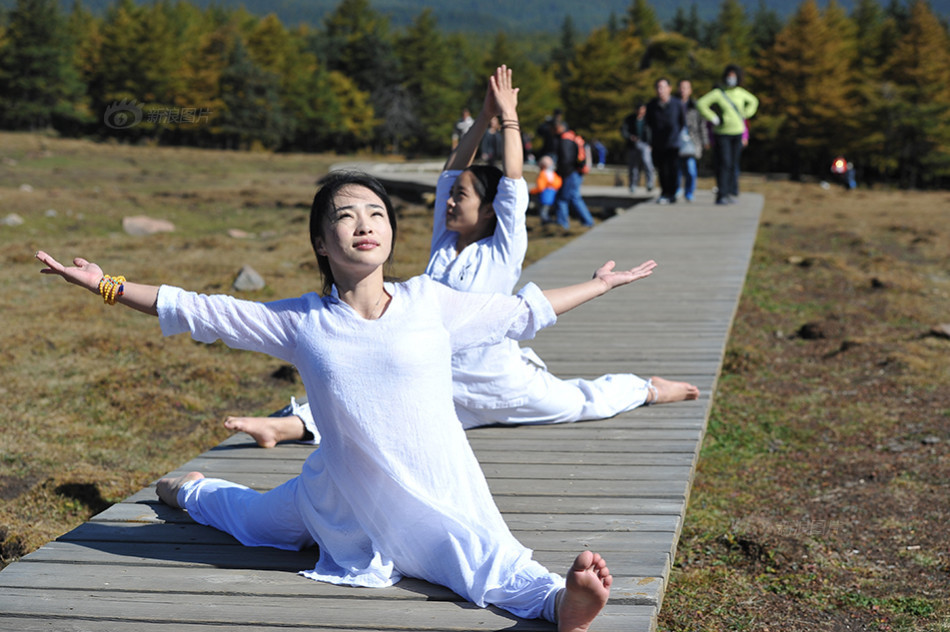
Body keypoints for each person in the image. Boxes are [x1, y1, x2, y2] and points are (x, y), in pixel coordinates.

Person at [36, 66, 644, 631]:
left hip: (420, 485)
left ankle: (556, 602)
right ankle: (188, 489)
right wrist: (108, 285)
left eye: (376, 213)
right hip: (331, 495)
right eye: (346, 215)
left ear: (389, 232)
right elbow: (203, 309)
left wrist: (600, 283)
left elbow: (521, 311)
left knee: (471, 544)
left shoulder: (428, 302)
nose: (365, 223)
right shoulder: (302, 321)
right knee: (249, 522)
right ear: (323, 243)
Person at [225, 68, 699, 450]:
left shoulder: (503, 247)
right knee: (374, 412)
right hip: (443, 383)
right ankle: (284, 427)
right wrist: (484, 118)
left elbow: (513, 178)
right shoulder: (444, 244)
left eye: (464, 199)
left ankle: (647, 388)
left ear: (490, 209)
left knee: (580, 400)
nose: (451, 203)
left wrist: (510, 118)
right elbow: (453, 172)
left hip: (503, 384)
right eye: (451, 200)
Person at [696, 64, 759, 205]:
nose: (731, 79)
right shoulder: (719, 93)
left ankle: (730, 192)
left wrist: (746, 114)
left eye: (734, 77)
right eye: (729, 77)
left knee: (732, 164)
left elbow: (754, 102)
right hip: (722, 134)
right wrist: (712, 117)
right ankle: (721, 194)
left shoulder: (741, 92)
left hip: (737, 133)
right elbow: (701, 103)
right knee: (724, 163)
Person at [645, 78, 686, 205]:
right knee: (661, 169)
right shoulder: (652, 105)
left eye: (662, 87)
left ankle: (672, 193)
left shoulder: (677, 104)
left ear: (669, 88)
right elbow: (648, 124)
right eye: (658, 87)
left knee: (673, 169)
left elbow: (682, 122)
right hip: (658, 143)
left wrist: (676, 134)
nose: (660, 90)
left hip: (673, 142)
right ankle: (664, 192)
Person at [553, 120, 595, 230]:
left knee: (562, 199)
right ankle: (588, 221)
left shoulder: (565, 140)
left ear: (561, 127)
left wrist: (561, 172)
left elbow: (566, 159)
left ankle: (563, 224)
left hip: (570, 173)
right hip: (577, 171)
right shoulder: (573, 137)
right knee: (574, 197)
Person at [675, 79, 709, 203]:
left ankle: (689, 192)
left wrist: (705, 140)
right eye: (681, 87)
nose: (683, 90)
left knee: (691, 169)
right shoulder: (673, 103)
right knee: (676, 168)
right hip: (676, 140)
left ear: (690, 90)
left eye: (686, 88)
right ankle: (676, 190)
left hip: (692, 141)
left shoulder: (696, 105)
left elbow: (702, 125)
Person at [620, 103, 655, 193]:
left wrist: (651, 144)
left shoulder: (648, 119)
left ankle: (650, 182)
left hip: (645, 144)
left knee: (647, 163)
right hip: (633, 145)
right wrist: (630, 137)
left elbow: (653, 132)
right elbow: (624, 130)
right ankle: (633, 184)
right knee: (633, 166)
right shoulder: (629, 119)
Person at [530, 154, 562, 225]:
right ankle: (549, 221)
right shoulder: (553, 174)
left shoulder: (543, 174)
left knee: (543, 211)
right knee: (549, 210)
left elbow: (540, 187)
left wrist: (532, 191)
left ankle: (545, 222)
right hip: (553, 196)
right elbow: (558, 183)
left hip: (544, 196)